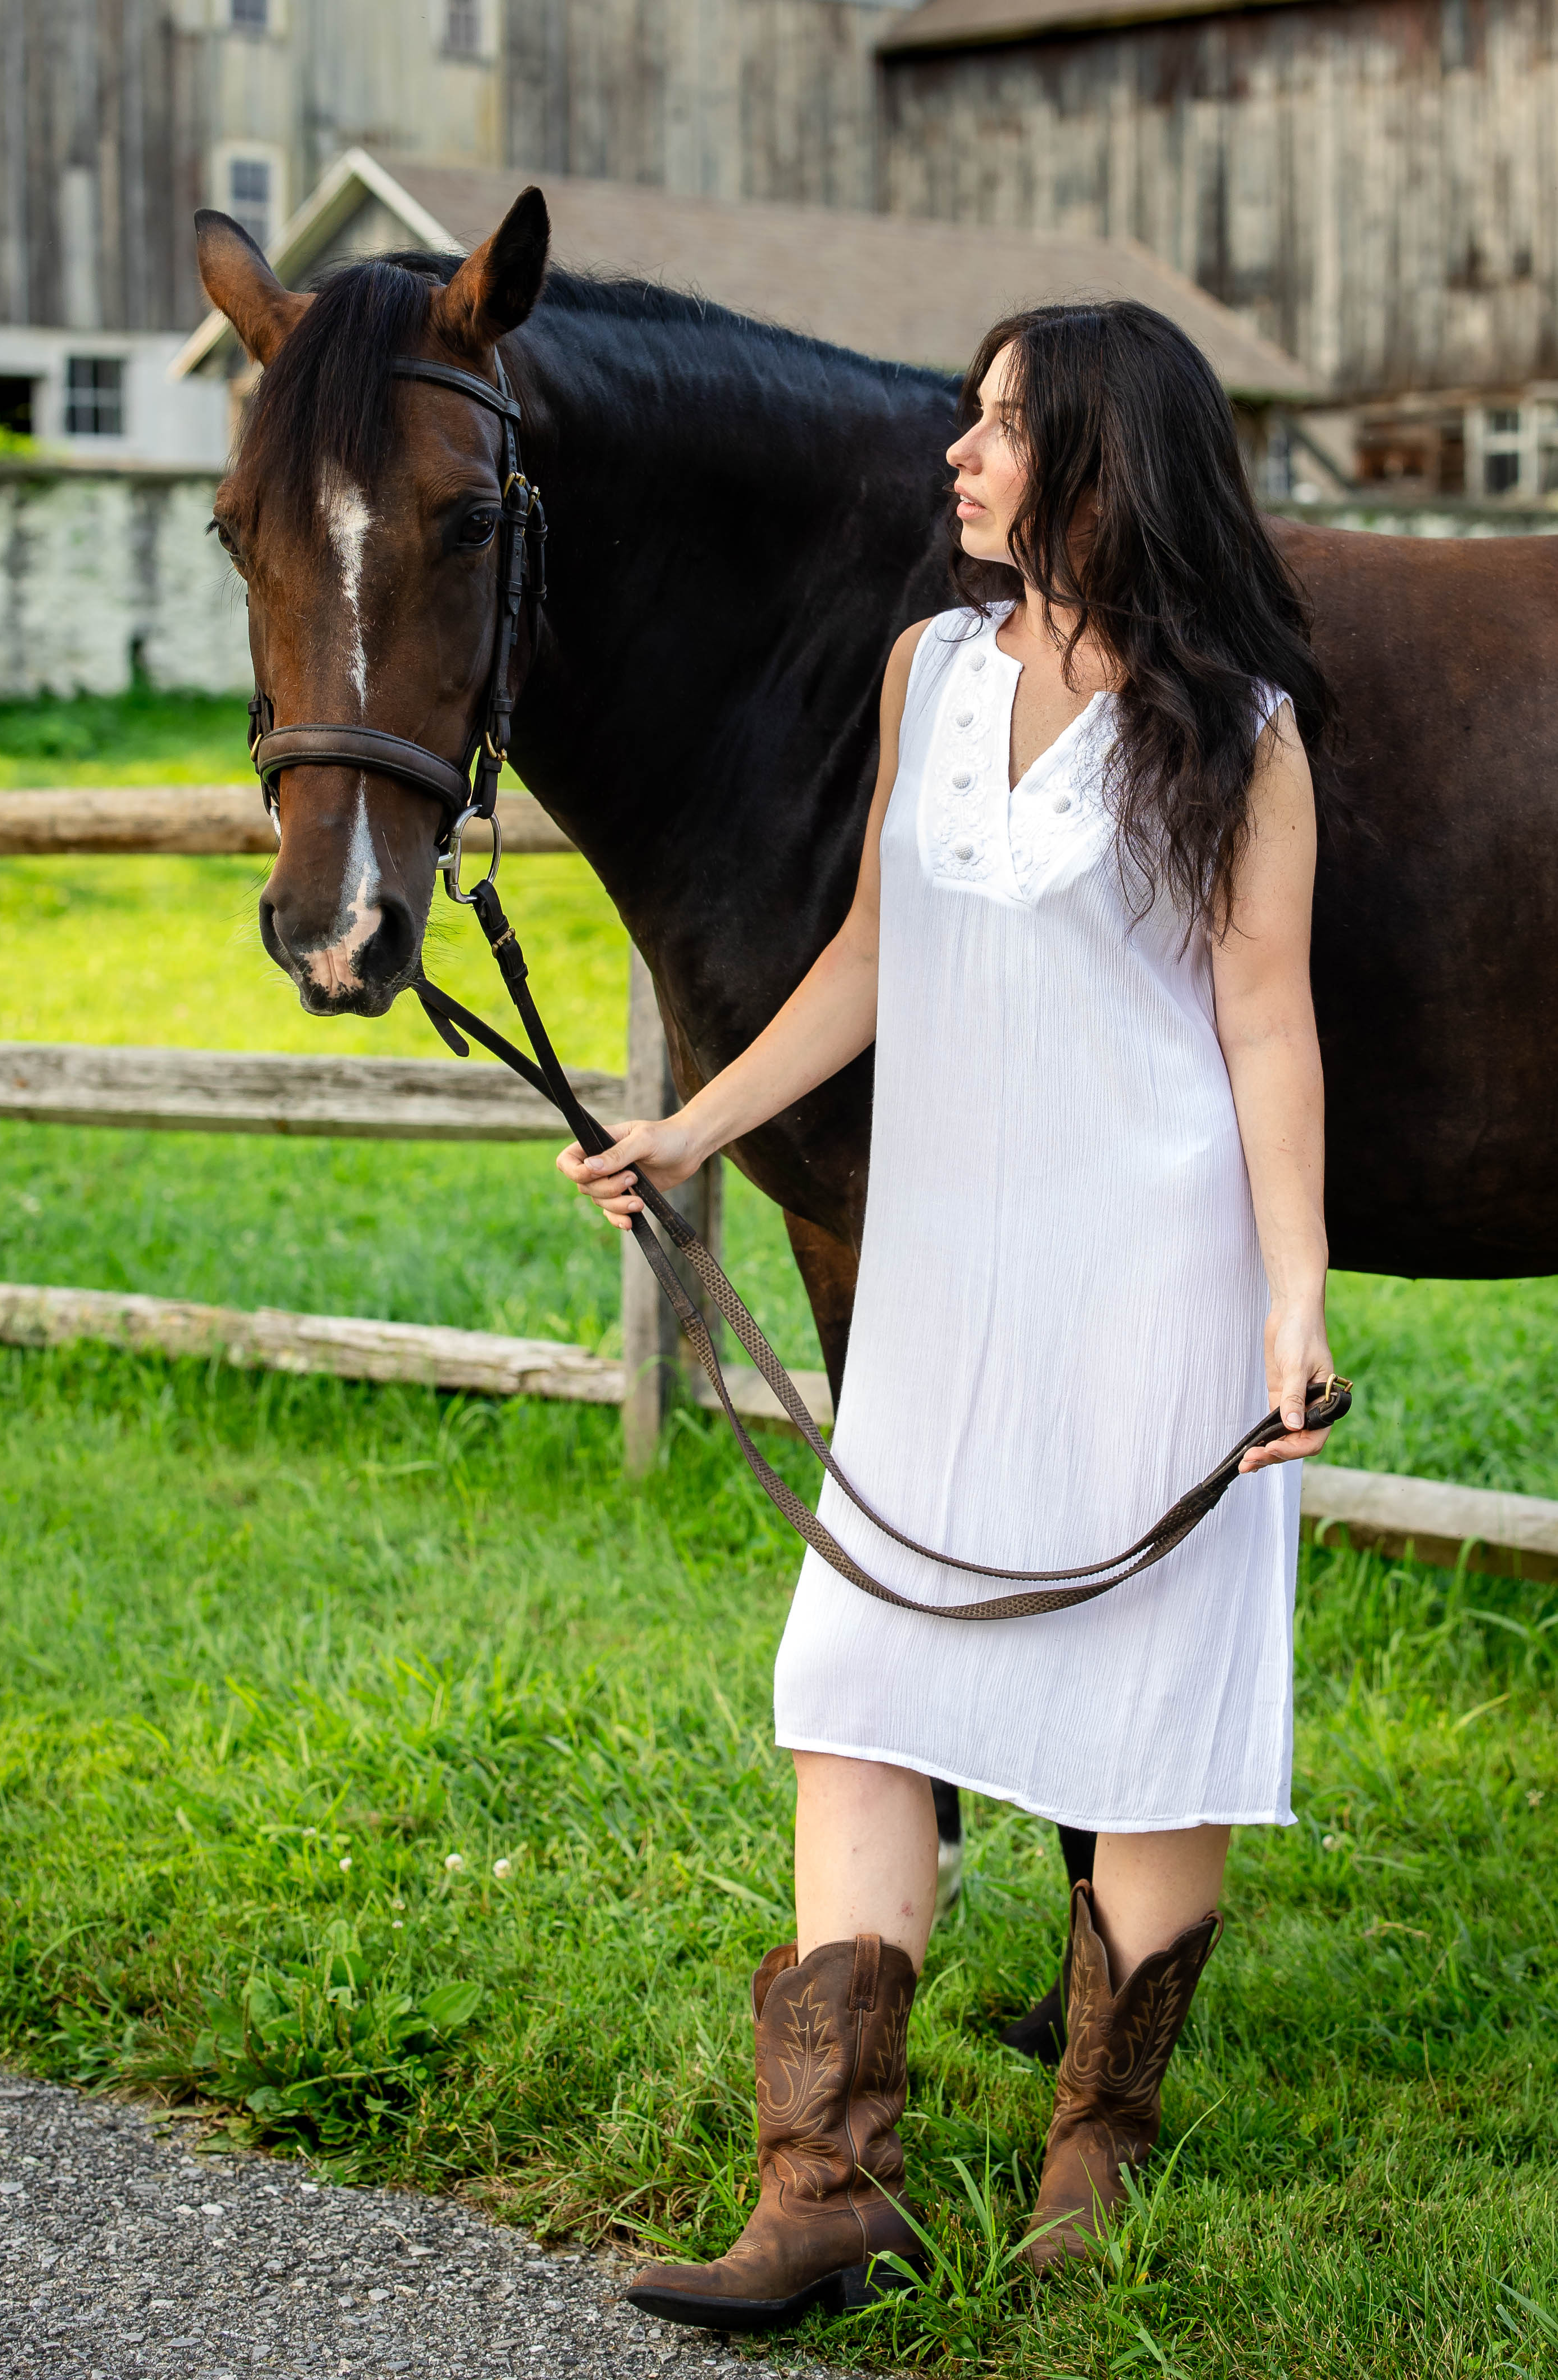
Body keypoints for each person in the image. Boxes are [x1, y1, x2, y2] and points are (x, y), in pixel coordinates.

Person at [557, 299, 1337, 2331]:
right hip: (945, 1283)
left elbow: (1267, 1025)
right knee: (855, 1682)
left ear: (1104, 463)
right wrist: (689, 1129)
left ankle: (1097, 2148)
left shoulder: (1239, 727)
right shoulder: (925, 669)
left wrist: (1294, 1303)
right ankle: (829, 2184)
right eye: (972, 424)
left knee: (1147, 1701)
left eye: (1003, 428)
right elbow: (867, 958)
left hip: (1151, 1279)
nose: (962, 458)